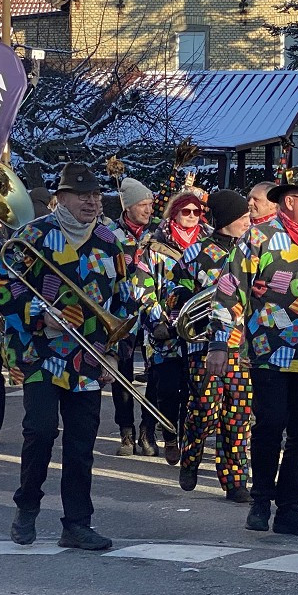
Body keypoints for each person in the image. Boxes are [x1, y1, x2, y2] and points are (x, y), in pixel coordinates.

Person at [0, 162, 130, 550]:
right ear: (61, 197)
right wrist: (37, 313)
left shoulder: (109, 240)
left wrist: (112, 353)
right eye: (82, 194)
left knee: (82, 443)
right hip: (40, 350)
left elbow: (121, 301)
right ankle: (27, 506)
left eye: (97, 194)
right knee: (40, 430)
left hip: (88, 355)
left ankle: (77, 523)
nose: (92, 200)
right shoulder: (32, 235)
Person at [206, 167, 298, 538]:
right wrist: (221, 342)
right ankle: (261, 499)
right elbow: (230, 290)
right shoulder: (260, 237)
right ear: (290, 201)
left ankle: (291, 509)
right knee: (270, 424)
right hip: (271, 350)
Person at [175, 190, 253, 503]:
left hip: (243, 347)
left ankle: (235, 481)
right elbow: (177, 295)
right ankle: (191, 455)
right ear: (227, 220)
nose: (249, 220)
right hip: (205, 346)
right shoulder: (195, 254)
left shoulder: (253, 251)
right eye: (242, 216)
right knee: (205, 410)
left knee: (238, 416)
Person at [134, 191, 211, 463]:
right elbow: (143, 287)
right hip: (164, 332)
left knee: (193, 391)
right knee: (166, 389)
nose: (191, 217)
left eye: (196, 212)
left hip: (198, 330)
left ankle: (186, 438)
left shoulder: (208, 243)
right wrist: (157, 321)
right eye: (185, 211)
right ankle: (168, 435)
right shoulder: (154, 245)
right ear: (174, 213)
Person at [107, 176, 156, 456]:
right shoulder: (111, 234)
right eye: (143, 205)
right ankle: (126, 431)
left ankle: (148, 430)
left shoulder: (157, 235)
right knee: (122, 374)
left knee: (156, 374)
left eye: (150, 204)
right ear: (128, 207)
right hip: (121, 313)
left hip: (151, 311)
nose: (148, 210)